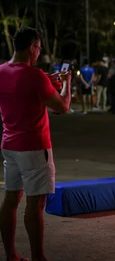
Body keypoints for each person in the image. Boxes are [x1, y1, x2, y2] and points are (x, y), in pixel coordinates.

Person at [0, 27, 72, 261]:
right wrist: (67, 84)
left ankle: (11, 254)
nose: (39, 54)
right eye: (39, 49)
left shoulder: (1, 71)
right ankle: (38, 257)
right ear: (31, 47)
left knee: (11, 201)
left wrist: (48, 82)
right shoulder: (34, 76)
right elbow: (61, 107)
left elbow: (20, 92)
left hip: (9, 144)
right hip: (33, 147)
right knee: (36, 203)